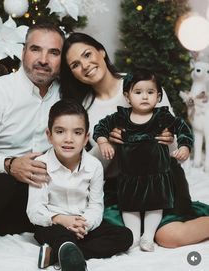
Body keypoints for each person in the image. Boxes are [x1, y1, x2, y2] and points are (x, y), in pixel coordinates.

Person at [59, 32, 209, 248]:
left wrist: (170, 140)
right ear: (73, 73)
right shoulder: (83, 109)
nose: (85, 65)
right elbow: (88, 167)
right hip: (122, 185)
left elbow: (176, 151)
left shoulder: (143, 84)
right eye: (75, 64)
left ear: (101, 51)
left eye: (87, 54)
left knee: (168, 236)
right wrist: (107, 145)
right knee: (113, 234)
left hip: (163, 177)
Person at [0, 23, 64, 238]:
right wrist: (10, 164)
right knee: (2, 181)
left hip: (34, 192)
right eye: (36, 49)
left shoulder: (67, 95)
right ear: (23, 52)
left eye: (53, 52)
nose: (43, 59)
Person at [93, 69, 194, 251]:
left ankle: (148, 235)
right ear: (127, 96)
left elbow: (182, 128)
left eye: (150, 92)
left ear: (159, 96)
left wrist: (185, 146)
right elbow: (101, 126)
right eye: (138, 92)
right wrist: (103, 142)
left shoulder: (162, 117)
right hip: (129, 176)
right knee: (129, 206)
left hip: (157, 175)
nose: (145, 97)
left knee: (154, 205)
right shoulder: (121, 117)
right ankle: (132, 237)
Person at [26, 99, 133, 270]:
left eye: (77, 133)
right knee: (56, 233)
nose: (68, 139)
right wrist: (61, 219)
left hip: (82, 225)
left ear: (86, 138)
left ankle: (58, 254)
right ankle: (67, 251)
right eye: (60, 131)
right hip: (54, 225)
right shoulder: (41, 164)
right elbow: (34, 210)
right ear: (49, 135)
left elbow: (96, 206)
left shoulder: (94, 166)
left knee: (125, 236)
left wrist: (84, 224)